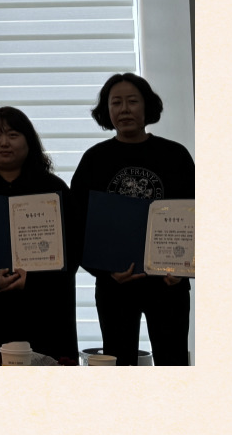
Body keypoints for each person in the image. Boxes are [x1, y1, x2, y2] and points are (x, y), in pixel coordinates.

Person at [71, 73, 195, 365]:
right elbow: (76, 223)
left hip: (168, 284)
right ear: (106, 110)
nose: (124, 109)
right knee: (118, 363)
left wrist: (184, 268)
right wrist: (103, 271)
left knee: (173, 363)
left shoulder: (175, 155)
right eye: (116, 103)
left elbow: (200, 214)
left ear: (147, 106)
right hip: (115, 285)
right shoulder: (94, 159)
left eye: (132, 101)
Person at [0, 106, 79, 362]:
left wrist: (33, 280)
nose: (4, 142)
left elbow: (74, 250)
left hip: (46, 311)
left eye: (13, 134)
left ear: (29, 141)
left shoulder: (53, 189)